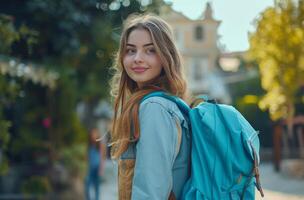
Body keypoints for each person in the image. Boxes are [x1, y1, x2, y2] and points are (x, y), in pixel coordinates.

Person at [110, 14, 191, 200]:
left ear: (166, 56)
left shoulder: (155, 108)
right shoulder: (166, 104)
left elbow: (150, 192)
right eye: (131, 50)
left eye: (150, 50)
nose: (137, 58)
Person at [85, 128, 104, 200]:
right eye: (92, 134)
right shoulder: (89, 145)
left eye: (95, 134)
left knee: (97, 187)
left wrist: (101, 169)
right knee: (87, 185)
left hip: (97, 168)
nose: (93, 135)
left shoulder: (99, 145)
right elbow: (87, 157)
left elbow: (102, 158)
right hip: (90, 168)